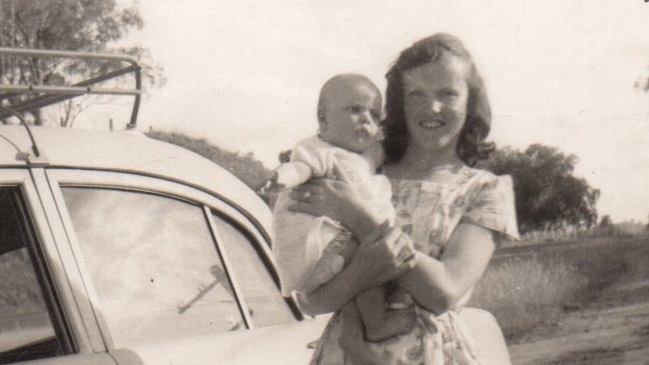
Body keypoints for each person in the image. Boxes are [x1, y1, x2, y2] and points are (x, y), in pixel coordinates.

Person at [290, 33, 519, 365]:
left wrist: (360, 219)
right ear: (397, 103)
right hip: (346, 352)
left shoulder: (485, 191)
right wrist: (361, 274)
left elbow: (444, 292)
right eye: (416, 95)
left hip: (432, 353)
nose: (433, 107)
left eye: (447, 93)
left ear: (471, 101)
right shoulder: (361, 171)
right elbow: (309, 299)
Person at [262, 73, 416, 342]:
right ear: (323, 119)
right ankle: (376, 323)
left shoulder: (362, 159)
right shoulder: (320, 150)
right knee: (374, 258)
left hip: (336, 249)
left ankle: (360, 333)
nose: (366, 120)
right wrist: (281, 179)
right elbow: (299, 168)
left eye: (373, 114)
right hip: (321, 248)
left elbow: (385, 153)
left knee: (367, 271)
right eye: (354, 110)